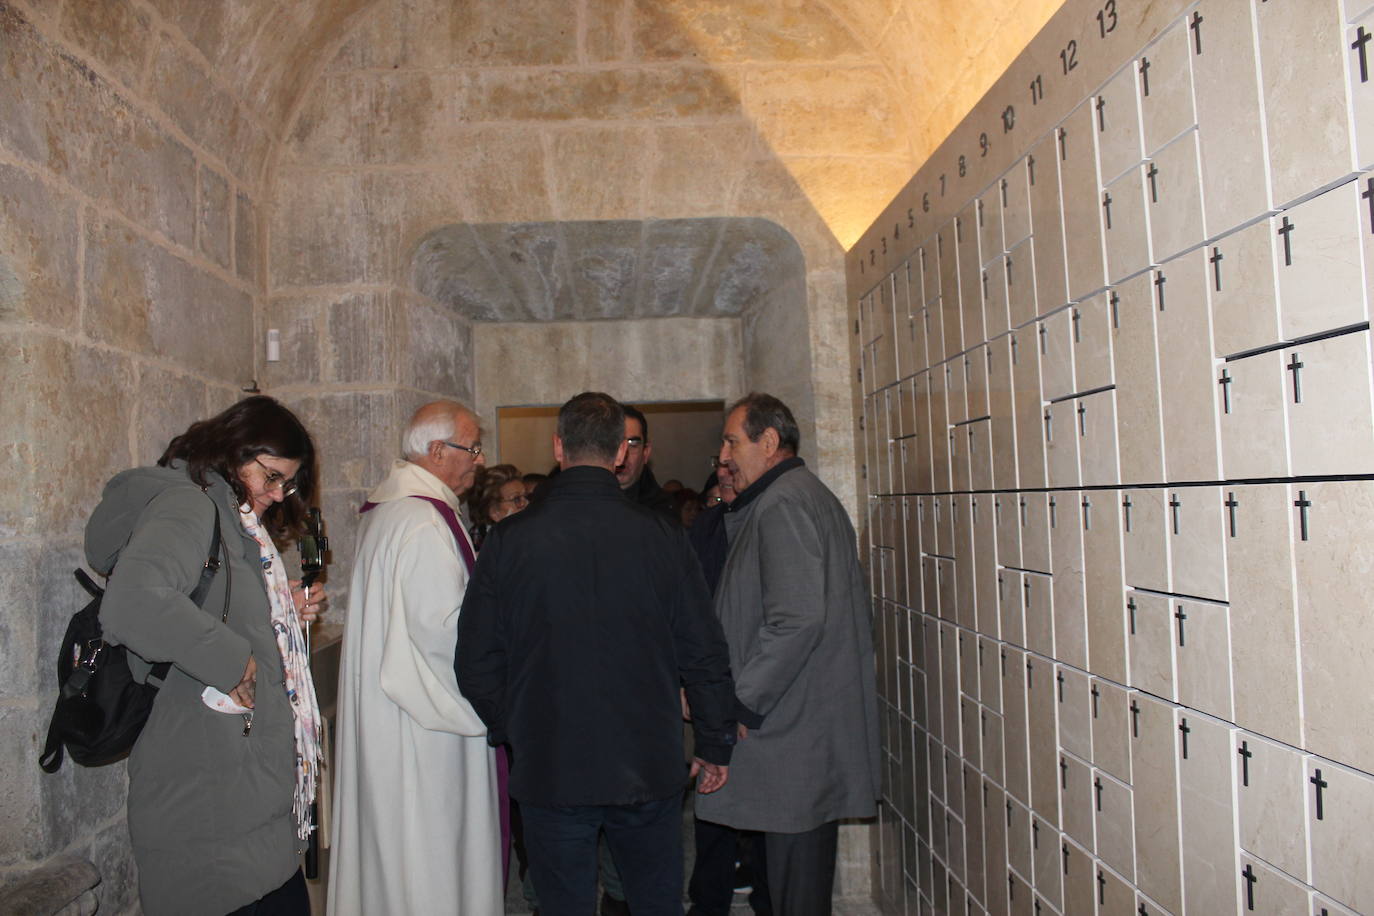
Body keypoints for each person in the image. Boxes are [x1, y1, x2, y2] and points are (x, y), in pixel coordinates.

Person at [456, 391, 738, 916]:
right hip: (646, 763)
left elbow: (475, 661)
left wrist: (516, 727)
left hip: (551, 763)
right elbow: (702, 647)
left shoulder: (509, 540)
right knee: (655, 903)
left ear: (559, 447)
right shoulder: (662, 536)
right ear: (619, 454)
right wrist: (715, 739)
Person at [84, 395, 327, 916]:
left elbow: (211, 603)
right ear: (233, 450)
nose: (278, 494)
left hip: (244, 793)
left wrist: (279, 611)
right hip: (207, 799)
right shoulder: (189, 505)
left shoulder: (233, 520)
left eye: (287, 483)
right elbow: (134, 603)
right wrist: (235, 660)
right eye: (271, 476)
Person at [694, 393, 880, 916]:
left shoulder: (783, 503)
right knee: (792, 878)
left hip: (793, 728)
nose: (725, 455)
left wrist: (743, 702)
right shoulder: (796, 495)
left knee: (796, 886)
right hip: (801, 723)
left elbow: (797, 620)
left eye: (733, 440)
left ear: (768, 441)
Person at [328, 400, 503, 915]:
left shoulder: (392, 513)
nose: (478, 459)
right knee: (429, 850)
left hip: (393, 716)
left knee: (396, 854)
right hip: (426, 728)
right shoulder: (424, 524)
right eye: (470, 447)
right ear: (435, 451)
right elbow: (445, 636)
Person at [615, 404, 676, 519]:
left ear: (645, 453)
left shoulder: (662, 513)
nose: (623, 454)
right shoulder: (583, 500)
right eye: (616, 444)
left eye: (633, 445)